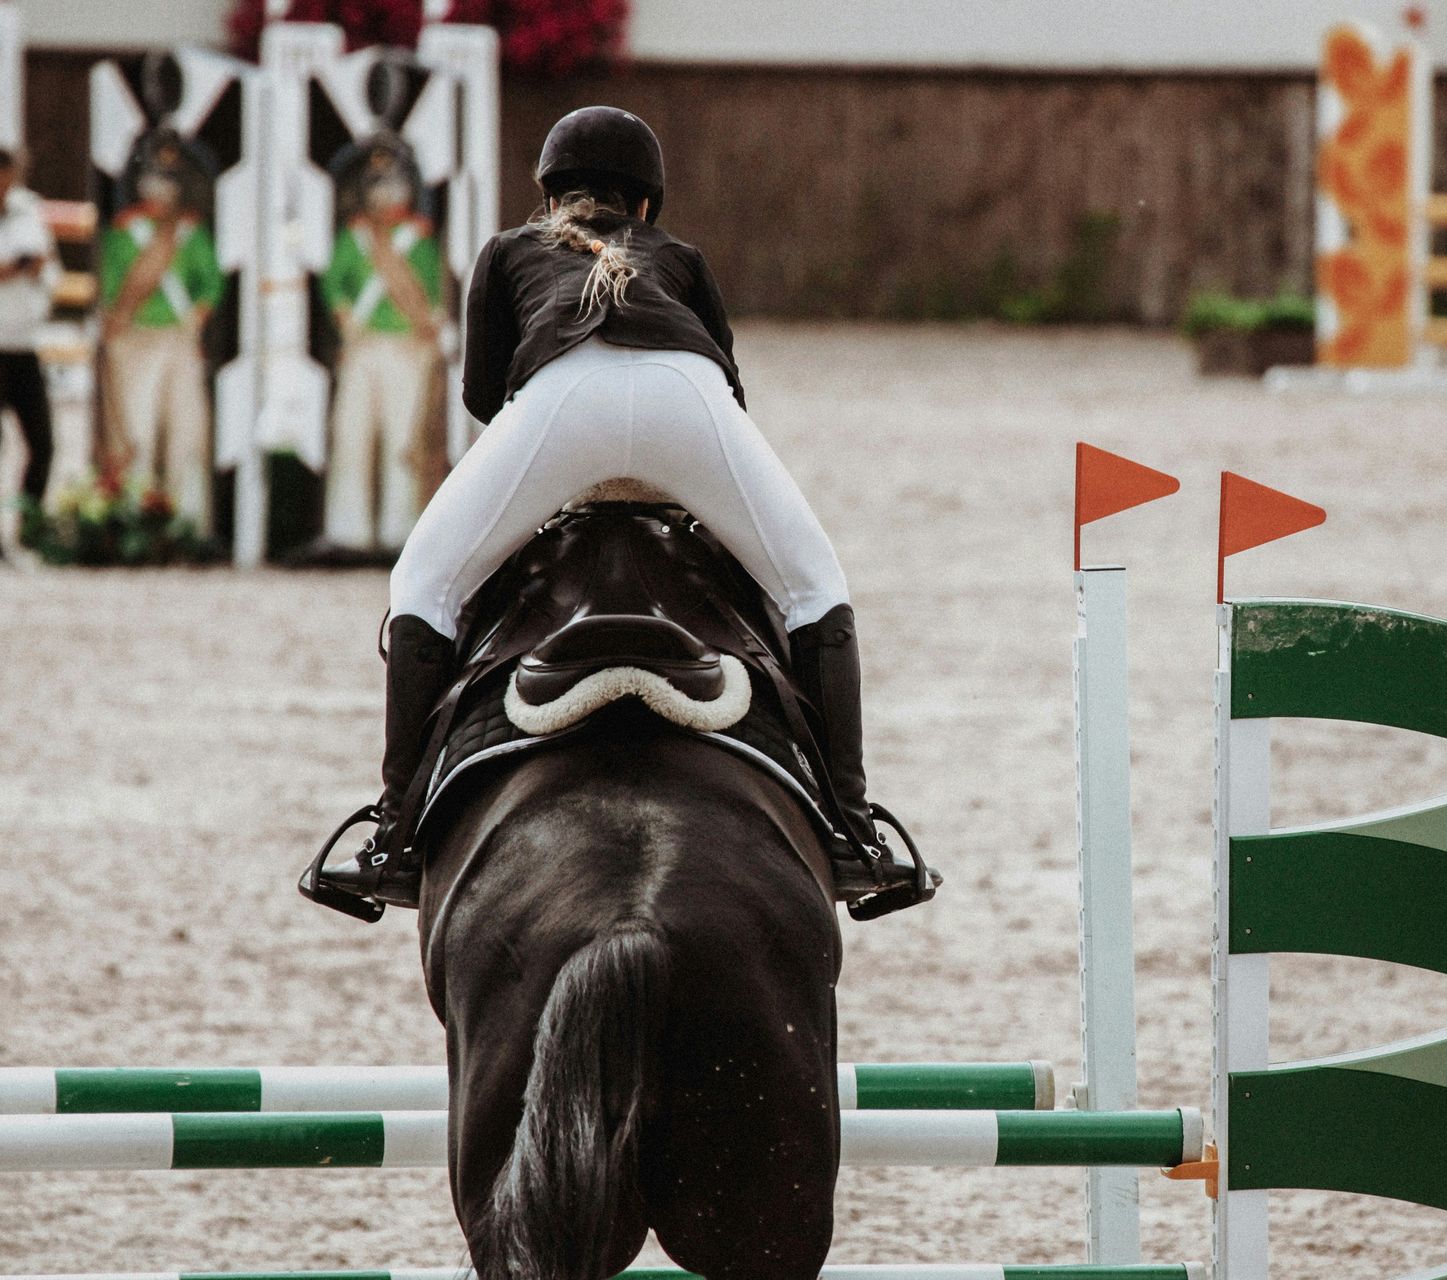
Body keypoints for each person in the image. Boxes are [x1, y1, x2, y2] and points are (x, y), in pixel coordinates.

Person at [319, 107, 905, 911]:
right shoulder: (681, 257)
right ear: (644, 206)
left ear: (550, 193)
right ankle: (854, 828)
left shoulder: (507, 252)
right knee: (814, 587)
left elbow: (486, 398)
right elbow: (730, 383)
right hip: (684, 394)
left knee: (423, 582)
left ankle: (394, 831)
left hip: (561, 396)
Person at [319, 138, 445, 553]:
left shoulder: (419, 240)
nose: (385, 194)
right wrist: (344, 315)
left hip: (406, 348)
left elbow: (432, 294)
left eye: (393, 184)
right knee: (353, 435)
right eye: (377, 185)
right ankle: (347, 530)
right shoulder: (354, 238)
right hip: (364, 345)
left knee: (402, 441)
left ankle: (402, 532)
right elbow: (334, 282)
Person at [98, 136, 224, 530]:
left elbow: (211, 282)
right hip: (137, 337)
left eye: (168, 179)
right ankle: (132, 518)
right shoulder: (125, 233)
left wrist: (197, 316)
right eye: (154, 177)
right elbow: (111, 285)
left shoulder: (191, 233)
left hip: (178, 338)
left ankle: (188, 521)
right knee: (136, 428)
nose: (160, 187)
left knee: (187, 430)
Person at [0, 148, 55, 524]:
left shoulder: (28, 214)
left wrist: (33, 269)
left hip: (22, 341)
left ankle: (28, 525)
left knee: (43, 444)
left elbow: (50, 269)